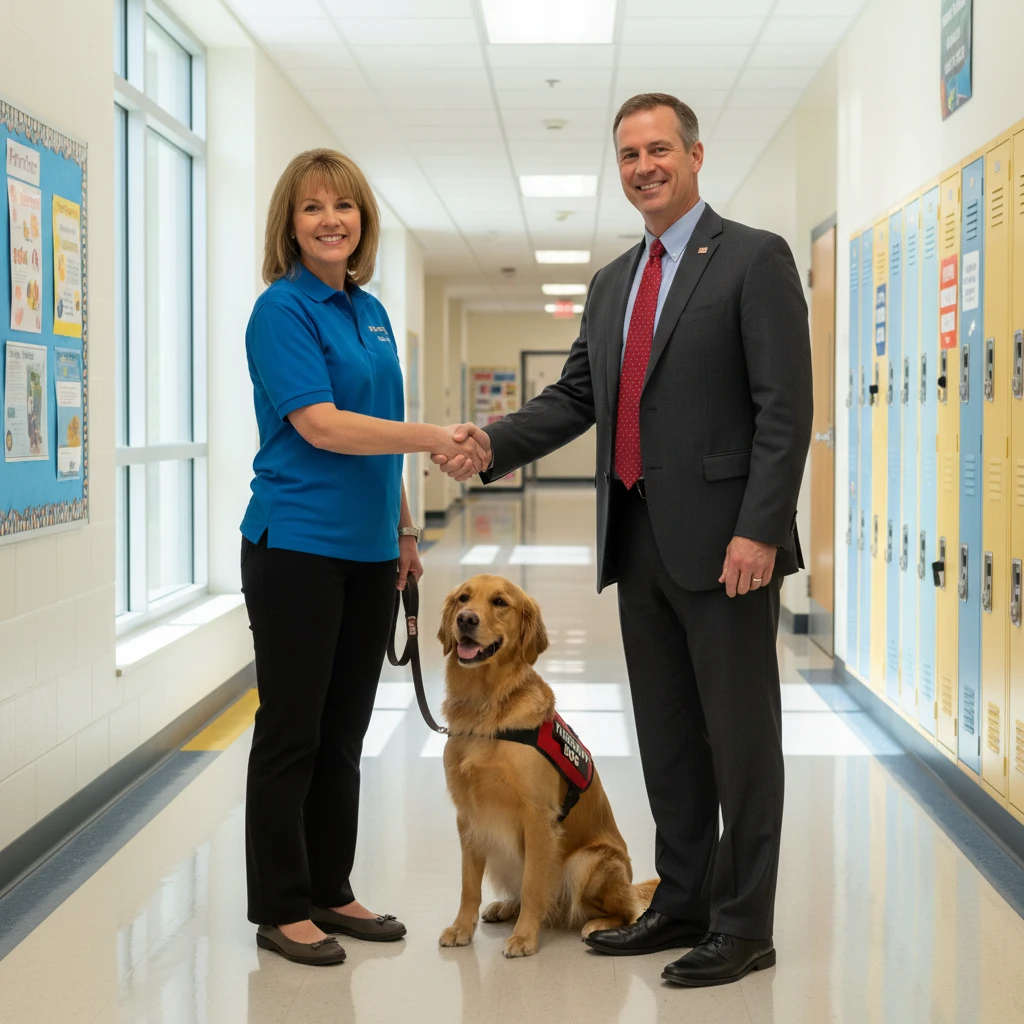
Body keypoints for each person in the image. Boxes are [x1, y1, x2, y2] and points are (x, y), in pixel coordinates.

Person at [435, 94, 812, 987]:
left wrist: (760, 528)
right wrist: (491, 443)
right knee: (668, 740)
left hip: (729, 550)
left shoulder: (753, 258)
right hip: (638, 544)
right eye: (630, 155)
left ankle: (744, 925)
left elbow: (784, 408)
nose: (645, 167)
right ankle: (680, 902)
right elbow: (577, 397)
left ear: (695, 155)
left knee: (740, 745)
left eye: (659, 149)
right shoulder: (613, 284)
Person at [240, 148, 487, 967]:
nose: (330, 220)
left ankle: (329, 888)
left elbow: (378, 437)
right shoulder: (281, 311)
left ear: (362, 220)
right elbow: (322, 425)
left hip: (369, 552)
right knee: (293, 733)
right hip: (296, 548)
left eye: (343, 206)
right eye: (312, 207)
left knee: (343, 732)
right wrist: (436, 436)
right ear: (290, 224)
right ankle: (281, 908)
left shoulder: (370, 311)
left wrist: (405, 531)